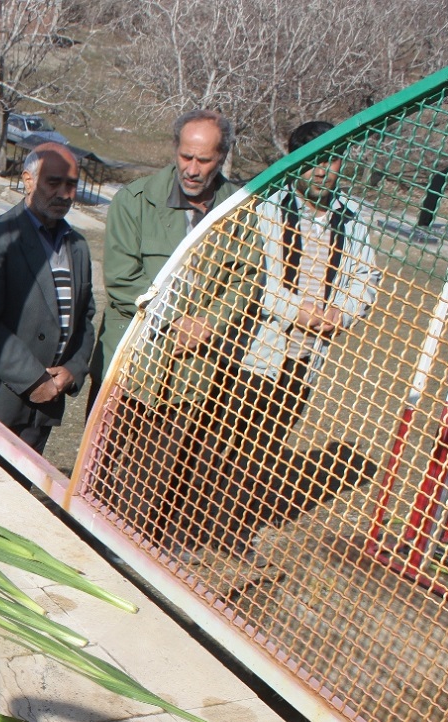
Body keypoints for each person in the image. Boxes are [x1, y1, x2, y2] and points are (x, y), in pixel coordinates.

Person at [213, 119, 379, 560]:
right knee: (227, 436)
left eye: (332, 160)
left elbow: (365, 277)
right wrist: (295, 311)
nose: (322, 171)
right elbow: (253, 277)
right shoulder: (266, 206)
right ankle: (200, 521)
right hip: (256, 348)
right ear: (295, 160)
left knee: (268, 443)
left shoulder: (352, 217)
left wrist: (342, 312)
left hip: (307, 355)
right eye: (313, 161)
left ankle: (236, 528)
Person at [90, 108, 242, 417]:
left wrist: (210, 322)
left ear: (222, 156)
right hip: (128, 371)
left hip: (194, 378)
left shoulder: (240, 209)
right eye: (186, 157)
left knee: (170, 450)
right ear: (175, 148)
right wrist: (177, 320)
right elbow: (121, 279)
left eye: (204, 160)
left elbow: (246, 279)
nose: (192, 169)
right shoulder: (134, 201)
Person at [0, 143, 96, 455]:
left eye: (71, 184)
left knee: (21, 486)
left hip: (42, 411)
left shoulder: (77, 246)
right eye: (53, 182)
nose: (64, 194)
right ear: (28, 180)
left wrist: (73, 370)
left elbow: (85, 319)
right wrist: (33, 379)